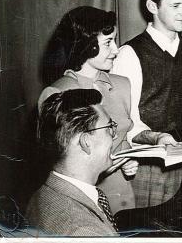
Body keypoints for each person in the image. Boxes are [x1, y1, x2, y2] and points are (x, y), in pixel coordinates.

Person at [38, 6, 147, 213]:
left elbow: (122, 139)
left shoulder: (123, 85)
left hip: (121, 198)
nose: (116, 49)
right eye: (108, 43)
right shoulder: (57, 94)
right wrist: (106, 166)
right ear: (86, 46)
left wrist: (129, 159)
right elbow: (61, 165)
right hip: (78, 203)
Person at [111, 0, 182, 207]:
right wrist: (156, 137)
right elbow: (122, 122)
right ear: (152, 6)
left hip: (179, 163)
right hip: (140, 168)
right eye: (176, 5)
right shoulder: (128, 54)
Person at [27, 89, 120, 236]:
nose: (115, 136)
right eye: (110, 128)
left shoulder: (42, 194)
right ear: (86, 142)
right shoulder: (85, 231)